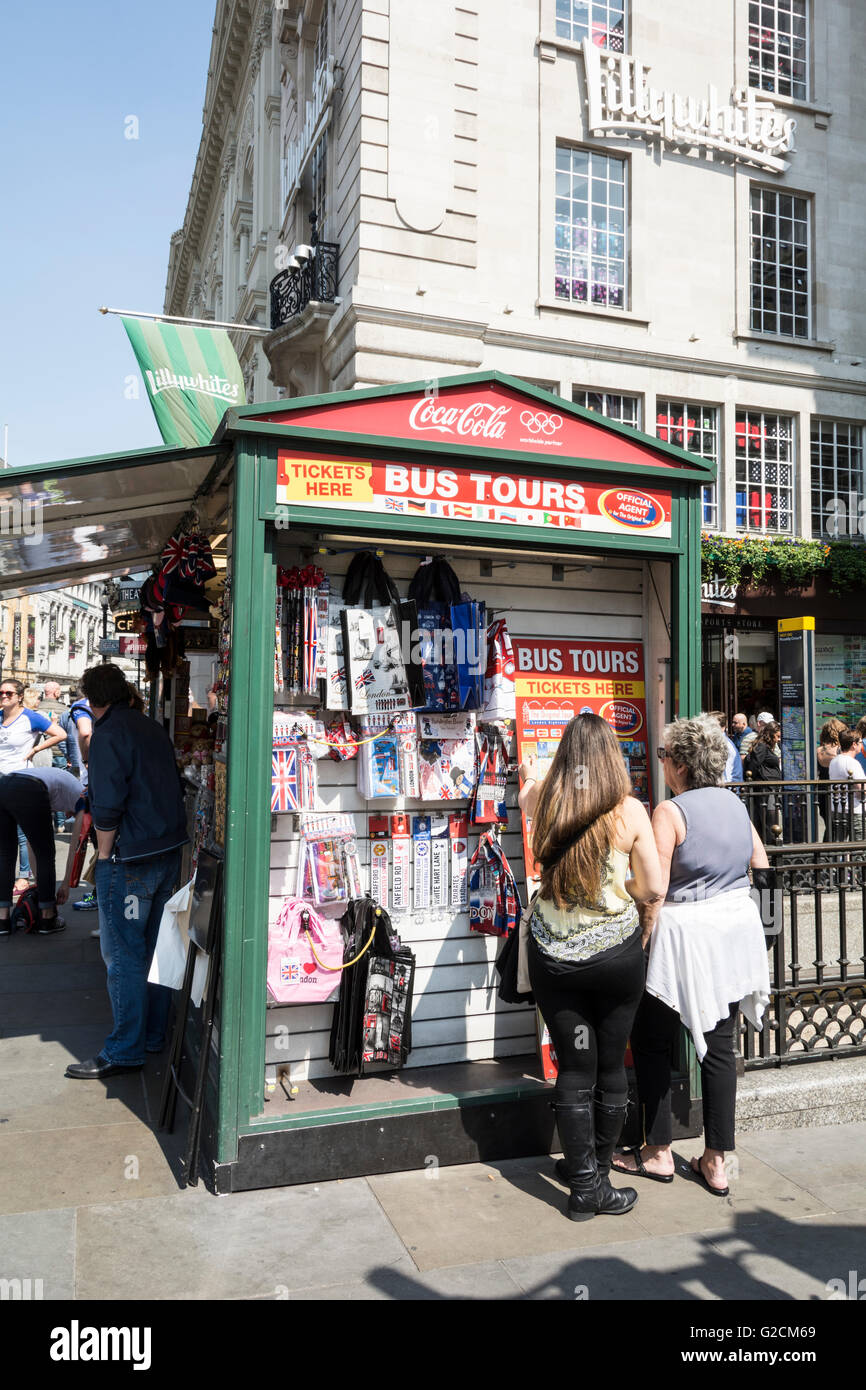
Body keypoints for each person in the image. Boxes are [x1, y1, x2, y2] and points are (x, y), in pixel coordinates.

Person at [613, 716, 771, 1195]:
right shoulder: (735, 804)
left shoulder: (670, 811)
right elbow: (760, 865)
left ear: (680, 765)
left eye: (663, 756)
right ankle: (717, 1161)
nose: (660, 763)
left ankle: (658, 1152)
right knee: (721, 1048)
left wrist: (640, 944)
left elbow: (656, 890)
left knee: (653, 1040)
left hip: (680, 940)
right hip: (730, 935)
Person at [516, 713, 664, 1221]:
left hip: (554, 960)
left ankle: (580, 1181)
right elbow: (654, 888)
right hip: (615, 960)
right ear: (611, 759)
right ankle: (597, 1176)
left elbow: (526, 794)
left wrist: (532, 772)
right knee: (609, 1067)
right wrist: (625, 895)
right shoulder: (630, 812)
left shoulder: (545, 802)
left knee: (574, 1068)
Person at [65, 664, 189, 1081]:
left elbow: (107, 803)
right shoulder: (150, 727)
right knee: (153, 949)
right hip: (165, 850)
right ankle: (151, 1034)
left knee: (124, 956)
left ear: (91, 698)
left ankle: (125, 1048)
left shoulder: (108, 734)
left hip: (130, 857)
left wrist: (102, 857)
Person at [0, 766, 85, 935]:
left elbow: (32, 844)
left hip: (4, 784)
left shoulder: (58, 791)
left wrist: (41, 885)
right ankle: (47, 918)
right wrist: (66, 884)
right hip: (30, 786)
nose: (67, 816)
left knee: (5, 854)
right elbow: (76, 847)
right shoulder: (82, 798)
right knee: (46, 854)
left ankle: (2, 920)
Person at [0, 678, 67, 892]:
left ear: (20, 697)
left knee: (22, 835)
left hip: (21, 783)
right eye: (1, 692)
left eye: (9, 693)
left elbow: (60, 734)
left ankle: (24, 877)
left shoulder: (30, 717)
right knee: (4, 843)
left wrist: (36, 749)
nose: (4, 696)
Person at [743, 719, 782, 840]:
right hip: (765, 788)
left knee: (769, 819)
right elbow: (753, 765)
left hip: (769, 788)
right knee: (769, 821)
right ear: (770, 735)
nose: (779, 739)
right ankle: (769, 847)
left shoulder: (766, 747)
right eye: (777, 736)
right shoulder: (762, 747)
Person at [828, 729, 866, 840]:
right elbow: (861, 790)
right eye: (859, 743)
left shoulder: (834, 761)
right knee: (859, 847)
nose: (861, 745)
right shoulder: (852, 763)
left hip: (838, 809)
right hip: (854, 810)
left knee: (840, 845)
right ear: (854, 745)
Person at [816, 719, 845, 841]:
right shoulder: (839, 750)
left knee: (829, 823)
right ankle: (830, 853)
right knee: (836, 824)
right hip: (836, 790)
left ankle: (826, 851)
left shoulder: (819, 750)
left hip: (822, 790)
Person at [708, 711, 742, 782]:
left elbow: (725, 776)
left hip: (728, 788)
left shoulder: (725, 745)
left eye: (712, 726)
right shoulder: (713, 742)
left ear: (723, 728)